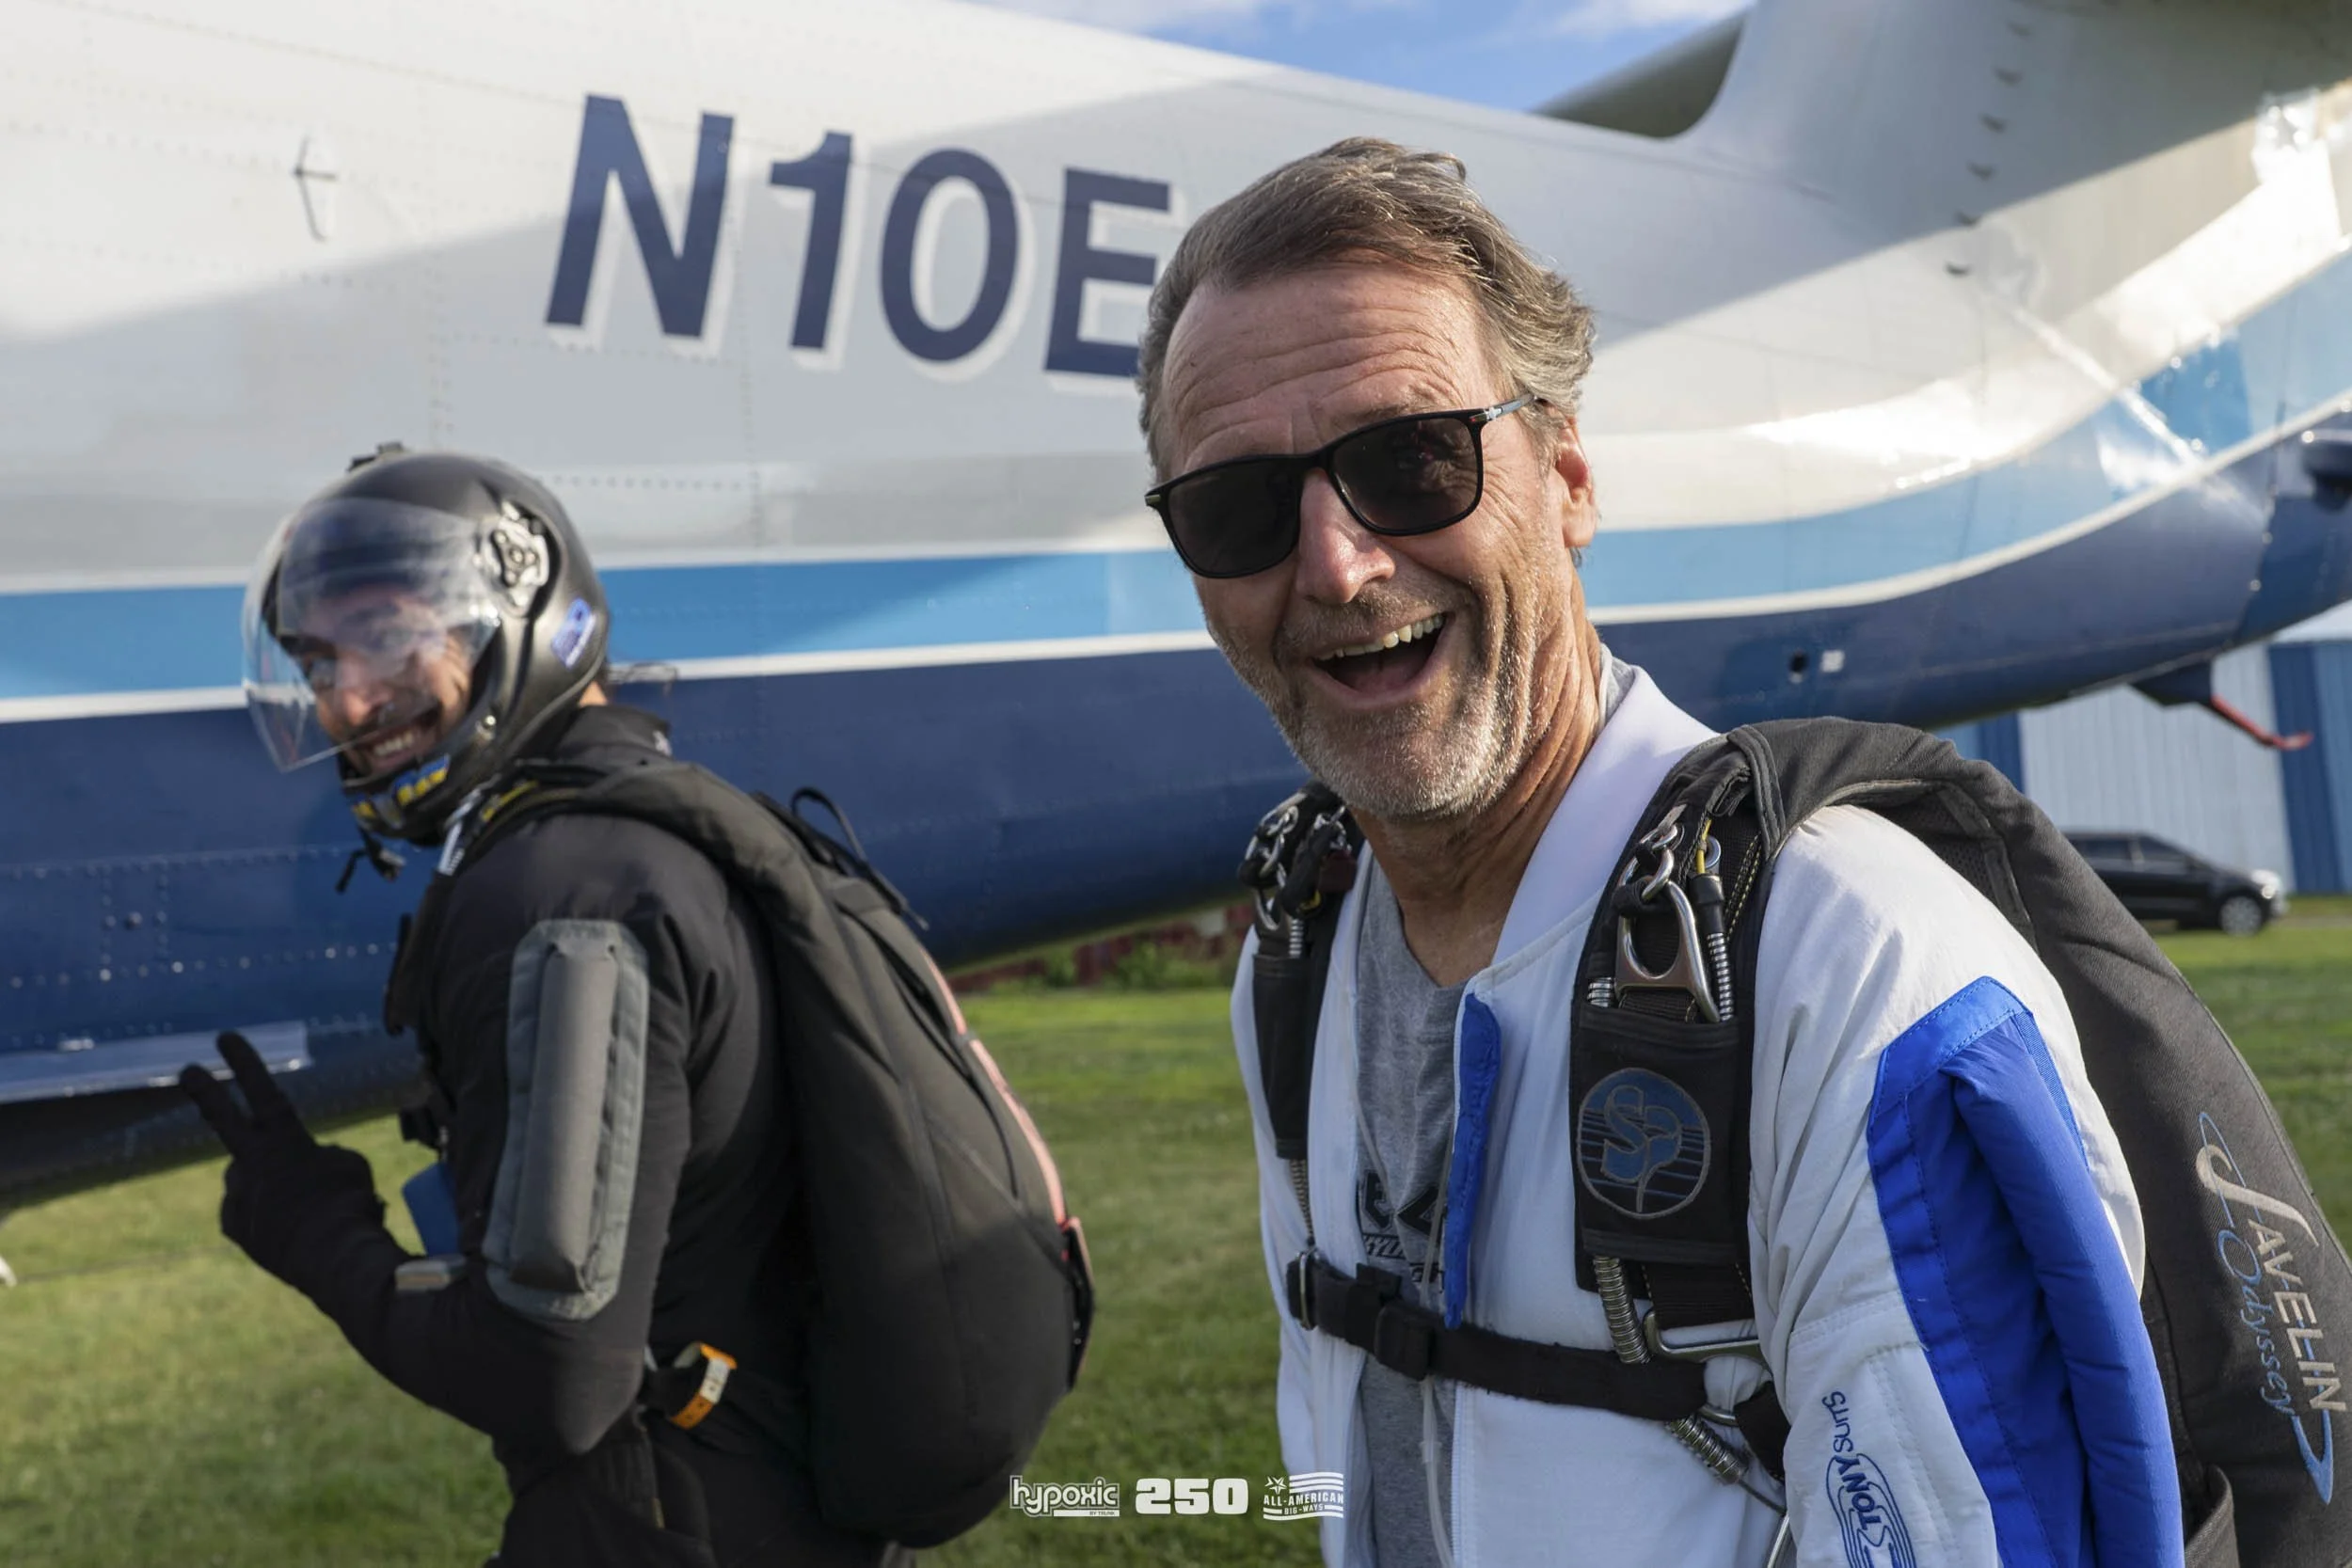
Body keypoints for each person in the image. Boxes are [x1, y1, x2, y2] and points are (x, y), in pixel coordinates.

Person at [1137, 139, 2169, 1565]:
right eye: (1237, 507)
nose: (1336, 564)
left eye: (1409, 460)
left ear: (1565, 475)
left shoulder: (1854, 974)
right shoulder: (1299, 949)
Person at [183, 449, 894, 1567]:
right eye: (318, 660)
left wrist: (311, 1229)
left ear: (522, 612)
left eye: (386, 635)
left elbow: (550, 1377)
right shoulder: (643, 825)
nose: (347, 699)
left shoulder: (561, 895)